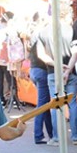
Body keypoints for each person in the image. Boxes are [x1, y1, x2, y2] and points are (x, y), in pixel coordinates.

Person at [36, 12, 77, 146]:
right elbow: (76, 52)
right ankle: (75, 137)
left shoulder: (43, 32)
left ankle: (57, 137)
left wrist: (56, 64)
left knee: (57, 105)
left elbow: (41, 55)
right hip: (70, 72)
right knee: (72, 104)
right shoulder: (70, 30)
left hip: (52, 73)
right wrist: (68, 70)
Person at [28, 12, 53, 144]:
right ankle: (38, 135)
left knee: (45, 104)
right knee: (42, 105)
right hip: (42, 72)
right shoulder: (44, 39)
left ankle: (51, 133)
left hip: (34, 70)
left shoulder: (35, 39)